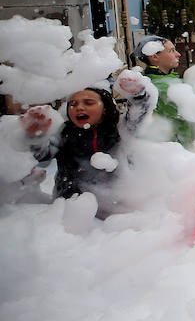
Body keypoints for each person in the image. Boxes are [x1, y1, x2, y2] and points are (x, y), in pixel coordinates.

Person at [20, 72, 154, 218]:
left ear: (105, 109)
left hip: (118, 205)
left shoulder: (118, 130)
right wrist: (37, 136)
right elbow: (43, 156)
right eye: (73, 104)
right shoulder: (64, 132)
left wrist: (138, 95)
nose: (79, 108)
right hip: (73, 208)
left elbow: (138, 115)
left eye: (89, 103)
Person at [134, 35, 195, 146]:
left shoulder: (169, 79)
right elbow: (191, 112)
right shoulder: (157, 86)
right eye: (171, 51)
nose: (178, 54)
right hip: (173, 149)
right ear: (154, 57)